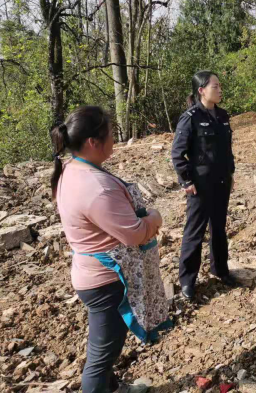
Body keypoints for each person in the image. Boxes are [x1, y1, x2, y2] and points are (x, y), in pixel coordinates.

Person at [52, 106, 163, 393]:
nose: (114, 140)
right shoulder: (96, 187)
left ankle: (111, 387)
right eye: (111, 135)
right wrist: (154, 218)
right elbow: (135, 234)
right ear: (93, 142)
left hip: (93, 275)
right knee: (101, 357)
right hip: (106, 282)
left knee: (107, 347)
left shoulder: (73, 169)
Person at [171, 71, 237, 300]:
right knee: (194, 232)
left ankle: (221, 270)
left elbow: (227, 151)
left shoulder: (223, 115)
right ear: (202, 90)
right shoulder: (190, 117)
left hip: (221, 182)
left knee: (219, 229)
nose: (220, 90)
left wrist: (231, 172)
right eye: (215, 86)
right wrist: (186, 181)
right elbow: (178, 154)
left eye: (219, 86)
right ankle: (188, 281)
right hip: (200, 186)